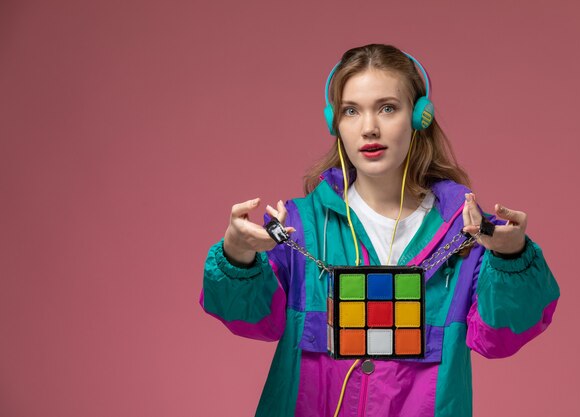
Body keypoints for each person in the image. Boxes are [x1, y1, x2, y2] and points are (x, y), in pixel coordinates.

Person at [199, 44, 560, 417]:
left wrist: (512, 256)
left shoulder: (467, 233)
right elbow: (251, 320)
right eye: (351, 111)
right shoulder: (299, 225)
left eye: (388, 108)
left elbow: (502, 337)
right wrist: (237, 255)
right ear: (335, 123)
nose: (369, 127)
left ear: (420, 116)